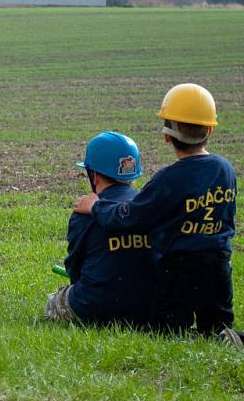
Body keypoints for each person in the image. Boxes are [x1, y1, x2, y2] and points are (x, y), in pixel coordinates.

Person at [74, 84, 240, 344]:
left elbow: (128, 218)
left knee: (166, 332)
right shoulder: (226, 169)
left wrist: (95, 206)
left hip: (178, 269)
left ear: (166, 136)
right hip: (218, 264)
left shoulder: (169, 179)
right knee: (219, 331)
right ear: (209, 129)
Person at [45, 131, 156, 327]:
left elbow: (75, 268)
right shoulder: (147, 207)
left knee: (54, 302)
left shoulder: (83, 213)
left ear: (94, 176)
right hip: (148, 309)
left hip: (93, 306)